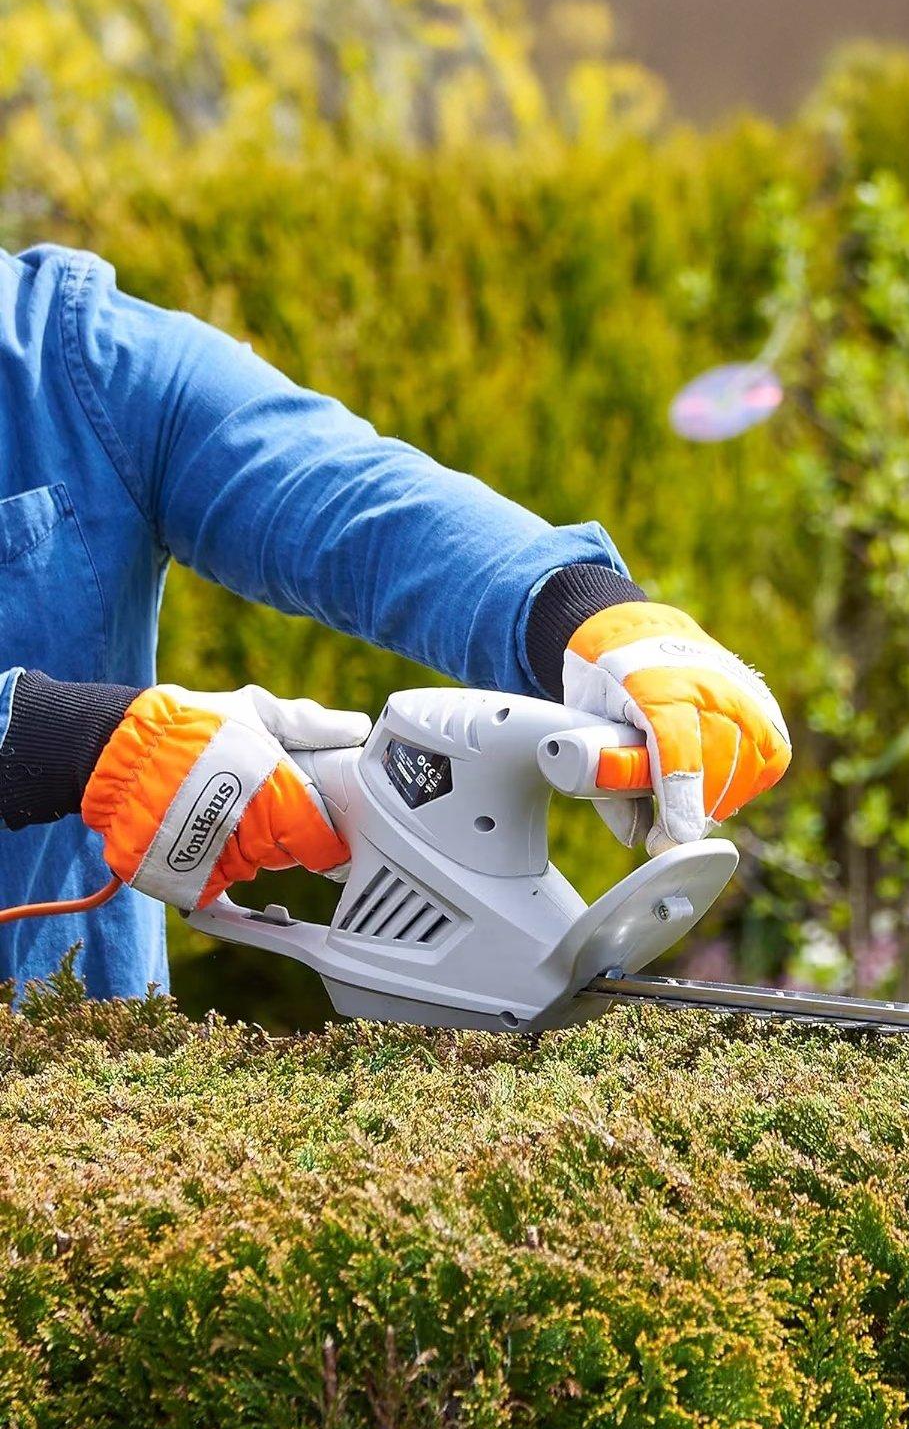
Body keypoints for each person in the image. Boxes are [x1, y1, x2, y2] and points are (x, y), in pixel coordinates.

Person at [0, 245, 790, 998]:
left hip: (91, 1088)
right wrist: (57, 739)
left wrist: (581, 611)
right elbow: (55, 736)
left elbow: (342, 491)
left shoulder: (68, 355)